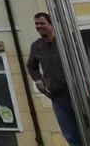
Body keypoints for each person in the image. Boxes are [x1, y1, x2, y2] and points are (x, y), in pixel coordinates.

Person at [27, 12, 81, 146]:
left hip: (77, 94)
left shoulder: (65, 41)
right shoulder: (36, 46)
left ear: (51, 25)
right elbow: (31, 66)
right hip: (58, 98)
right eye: (36, 24)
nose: (38, 26)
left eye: (42, 23)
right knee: (70, 135)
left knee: (87, 129)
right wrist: (38, 80)